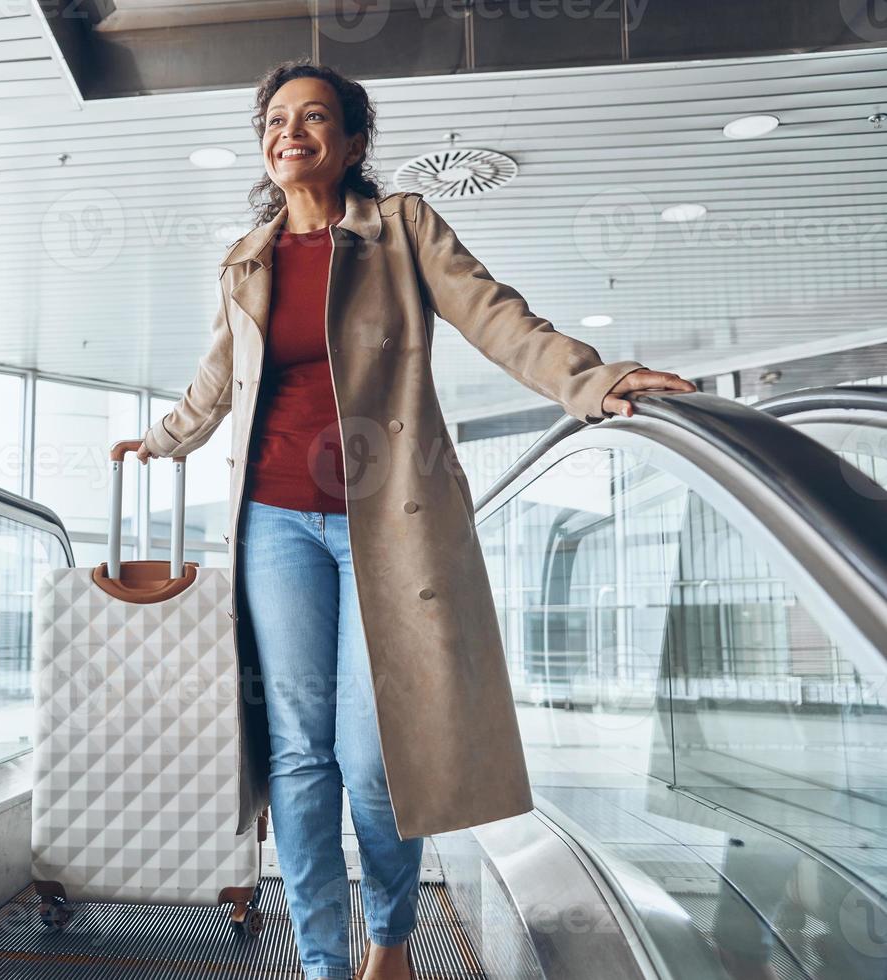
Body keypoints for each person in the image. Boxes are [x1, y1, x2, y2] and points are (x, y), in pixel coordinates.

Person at [136, 59, 696, 980]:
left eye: (316, 118)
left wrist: (591, 381)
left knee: (372, 755)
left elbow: (497, 318)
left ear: (354, 142)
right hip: (273, 521)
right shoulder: (247, 255)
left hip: (385, 527)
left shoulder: (400, 230)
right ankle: (321, 961)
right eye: (276, 118)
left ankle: (389, 937)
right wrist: (161, 440)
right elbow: (219, 376)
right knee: (300, 756)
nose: (292, 132)